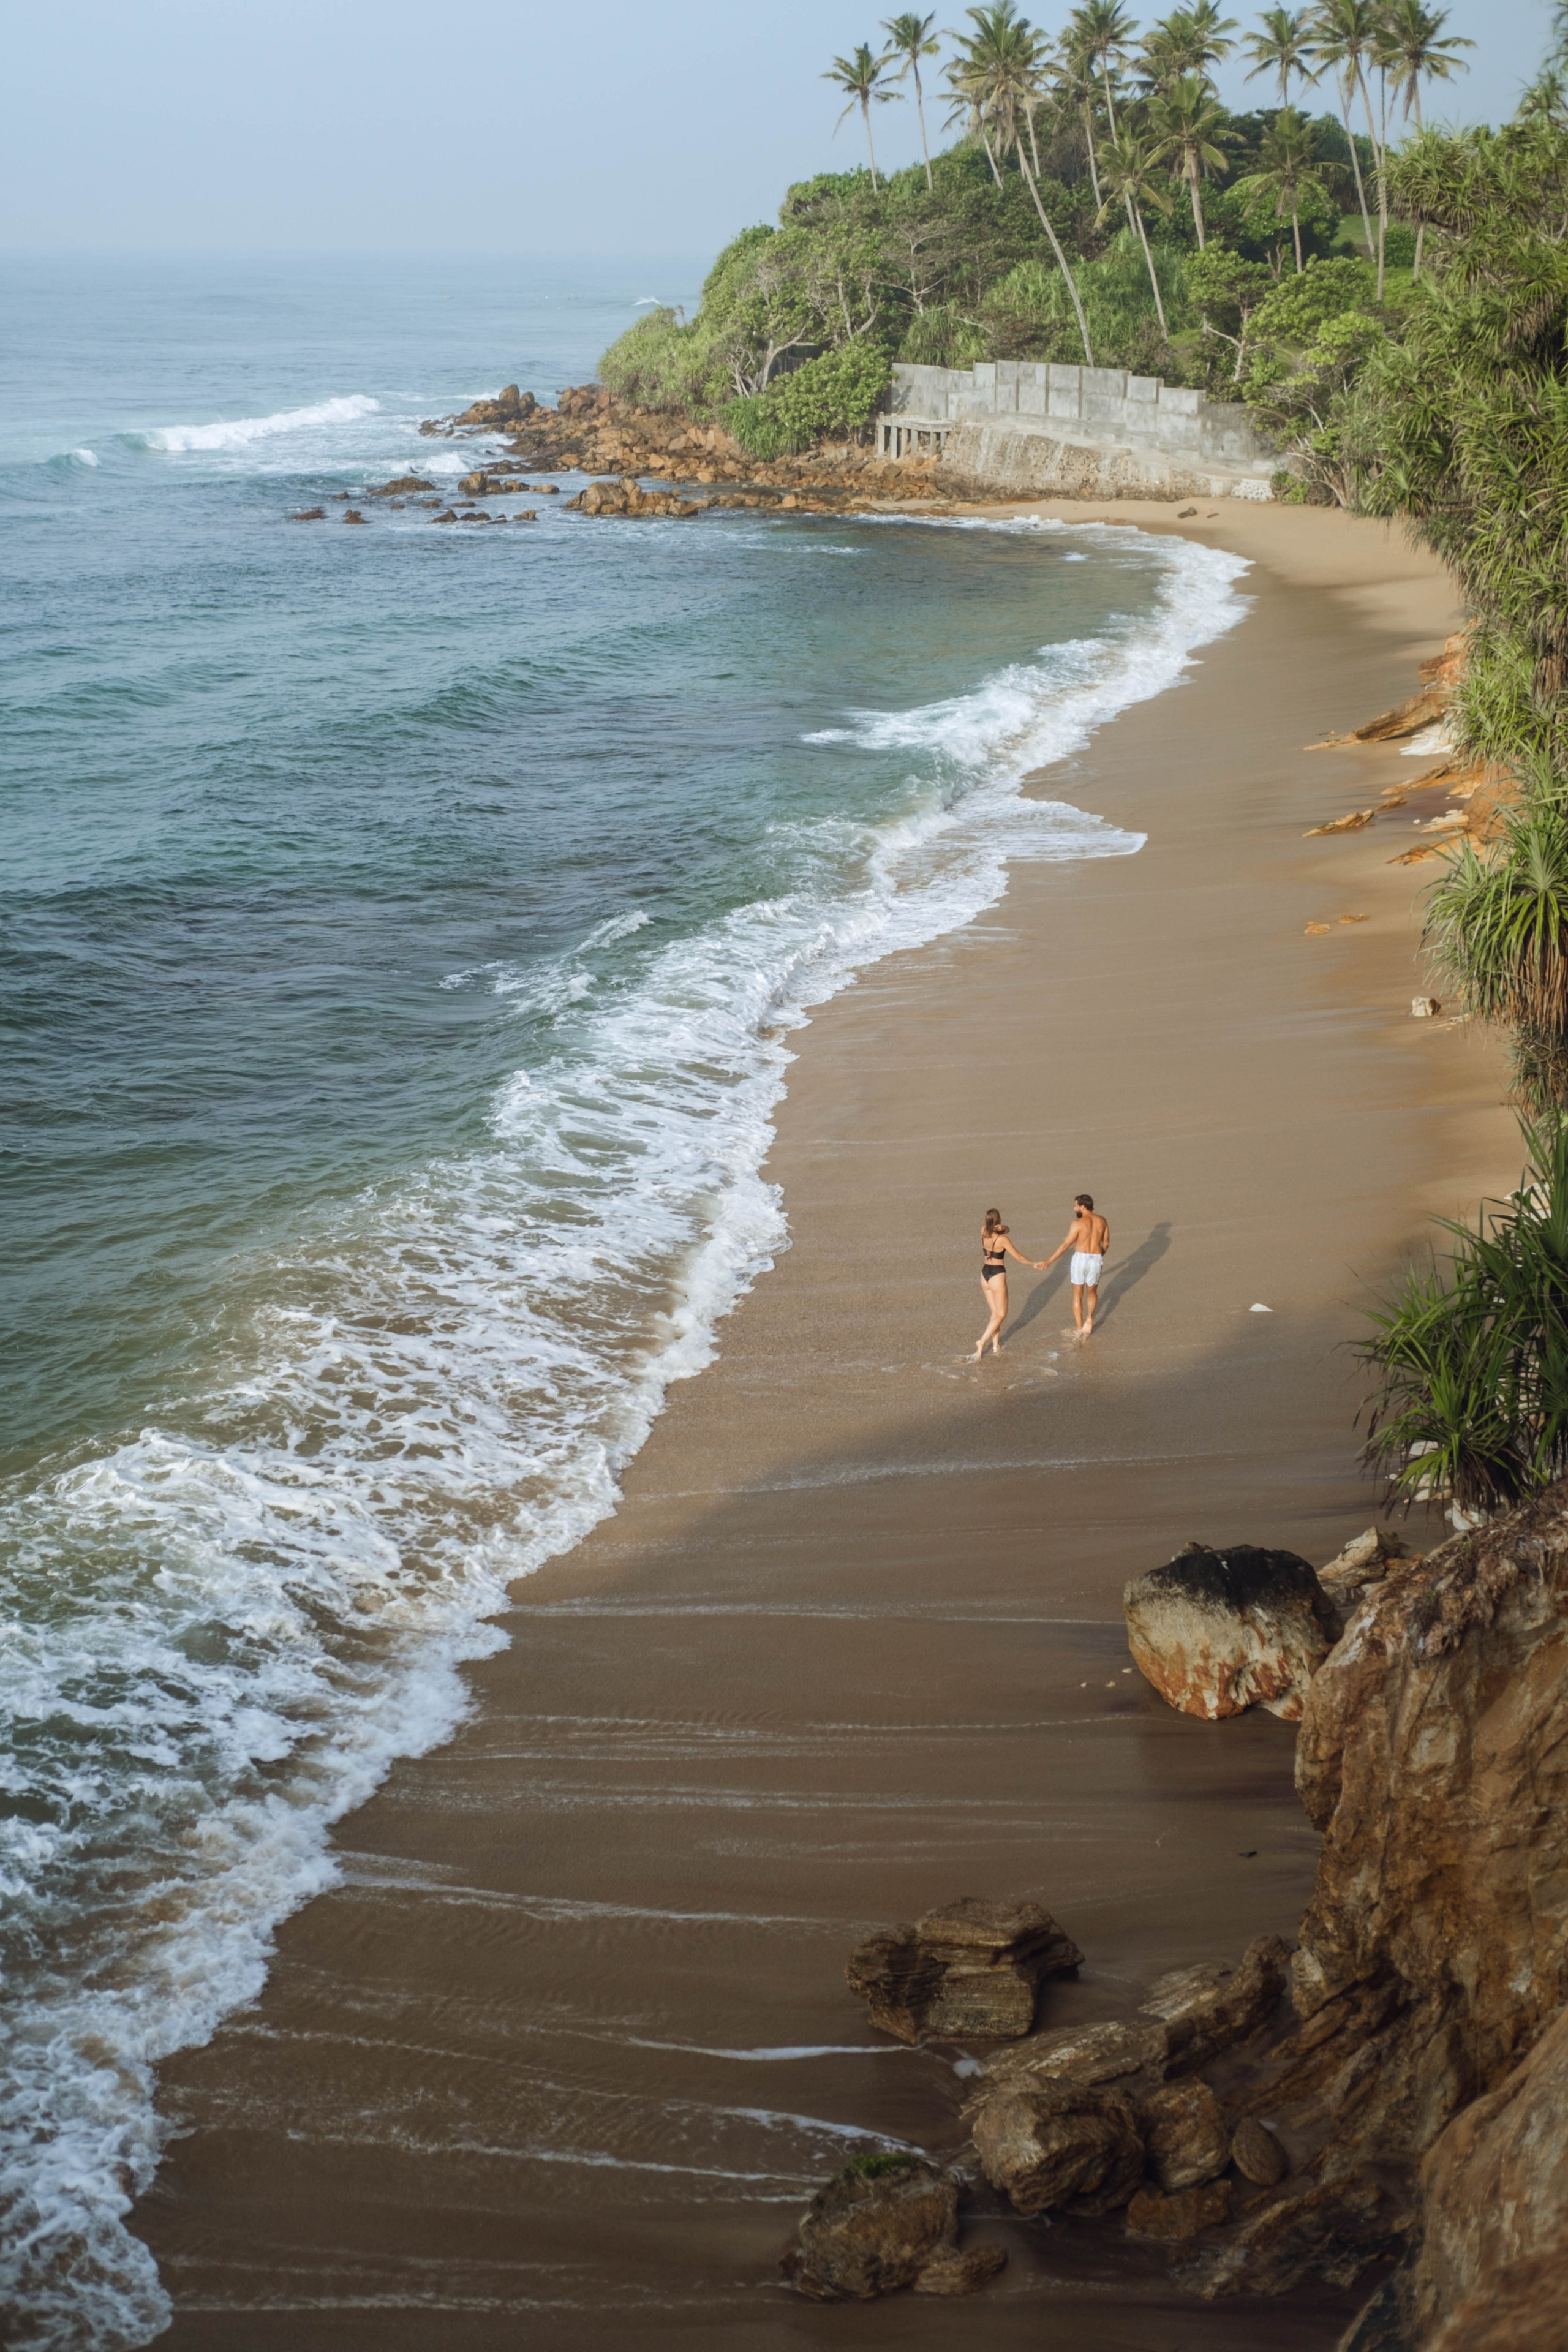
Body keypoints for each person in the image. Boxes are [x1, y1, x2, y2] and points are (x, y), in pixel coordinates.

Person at [974, 1208, 1044, 1360]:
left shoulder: (983, 1231)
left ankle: (995, 1346)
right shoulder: (1002, 1240)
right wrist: (1033, 1264)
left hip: (984, 1274)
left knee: (995, 1314)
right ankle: (982, 1341)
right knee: (1001, 1314)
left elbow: (1005, 1229)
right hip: (997, 1274)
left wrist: (1002, 1228)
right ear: (998, 1220)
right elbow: (1018, 1257)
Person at [1040, 1193, 1110, 1338]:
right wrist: (1098, 1256)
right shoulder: (1102, 1221)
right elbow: (1107, 1243)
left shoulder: (1077, 1223)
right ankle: (1089, 1318)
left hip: (1081, 1258)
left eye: (1076, 1206)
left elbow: (1066, 1245)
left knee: (1077, 1294)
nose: (1074, 1209)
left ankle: (1079, 1328)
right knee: (1092, 1291)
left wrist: (1049, 1261)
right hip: (1096, 1258)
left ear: (1082, 1207)